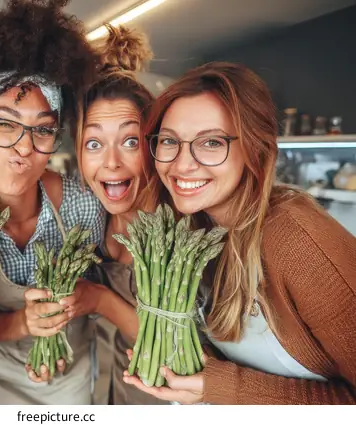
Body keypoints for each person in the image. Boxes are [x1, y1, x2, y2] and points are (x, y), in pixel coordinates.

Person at [122, 61, 356, 404]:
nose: (182, 164)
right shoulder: (194, 227)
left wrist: (220, 386)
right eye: (170, 140)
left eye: (211, 143)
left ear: (254, 149)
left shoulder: (298, 242)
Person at [0, 0, 107, 405]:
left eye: (42, 130)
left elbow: (110, 289)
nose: (24, 149)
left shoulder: (84, 206)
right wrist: (22, 322)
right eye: (3, 124)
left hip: (69, 382)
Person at [68, 24, 170, 405]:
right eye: (94, 143)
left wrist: (100, 300)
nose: (110, 162)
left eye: (130, 141)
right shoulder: (91, 219)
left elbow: (175, 344)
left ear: (155, 145)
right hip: (113, 394)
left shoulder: (179, 228)